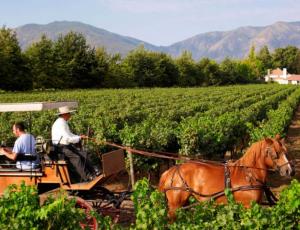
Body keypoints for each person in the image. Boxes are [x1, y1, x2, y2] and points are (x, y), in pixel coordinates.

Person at [51, 106, 100, 181]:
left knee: (84, 153)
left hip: (66, 145)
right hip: (61, 148)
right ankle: (88, 177)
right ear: (64, 114)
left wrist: (79, 136)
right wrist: (79, 138)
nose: (70, 115)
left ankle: (95, 172)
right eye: (69, 114)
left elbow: (70, 134)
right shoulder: (60, 124)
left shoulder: (63, 122)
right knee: (76, 158)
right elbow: (68, 138)